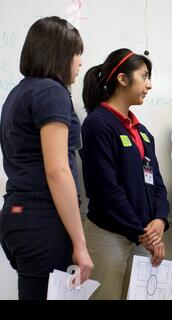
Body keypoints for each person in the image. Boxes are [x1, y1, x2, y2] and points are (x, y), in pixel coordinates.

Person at [0, 16, 93, 300]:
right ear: (61, 54)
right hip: (43, 218)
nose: (80, 62)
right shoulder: (52, 92)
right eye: (78, 54)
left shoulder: (18, 93)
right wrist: (80, 244)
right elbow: (57, 171)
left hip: (18, 215)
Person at [81, 48, 169, 300]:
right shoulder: (98, 123)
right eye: (144, 76)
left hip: (141, 238)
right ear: (122, 79)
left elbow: (158, 187)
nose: (149, 85)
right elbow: (106, 189)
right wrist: (144, 233)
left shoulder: (141, 132)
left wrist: (160, 220)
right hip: (109, 236)